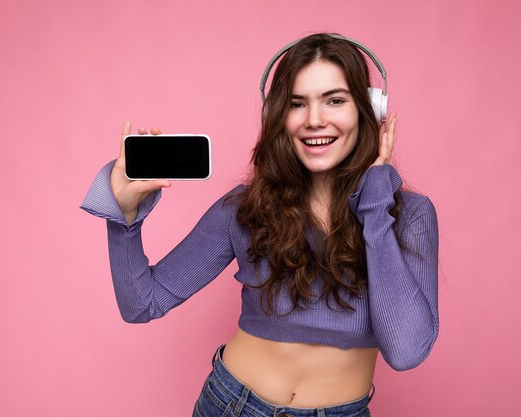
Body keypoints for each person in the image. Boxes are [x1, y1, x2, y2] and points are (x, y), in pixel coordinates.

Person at [81, 33, 439, 417]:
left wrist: (374, 204)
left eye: (335, 100)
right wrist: (124, 218)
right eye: (297, 104)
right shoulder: (245, 208)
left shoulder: (409, 215)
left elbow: (404, 351)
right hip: (231, 405)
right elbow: (142, 304)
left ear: (370, 110)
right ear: (277, 115)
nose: (315, 120)